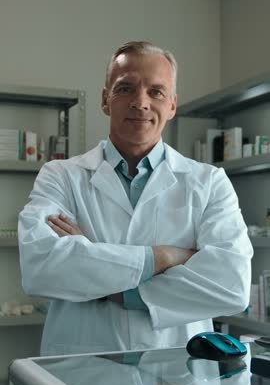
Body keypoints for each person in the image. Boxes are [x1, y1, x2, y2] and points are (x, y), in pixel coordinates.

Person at [18, 41, 253, 356]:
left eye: (156, 92)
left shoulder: (208, 182)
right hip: (82, 371)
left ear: (171, 105)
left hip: (177, 373)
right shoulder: (61, 176)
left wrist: (108, 282)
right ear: (105, 100)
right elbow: (42, 267)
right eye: (125, 88)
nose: (140, 102)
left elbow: (230, 286)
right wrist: (163, 258)